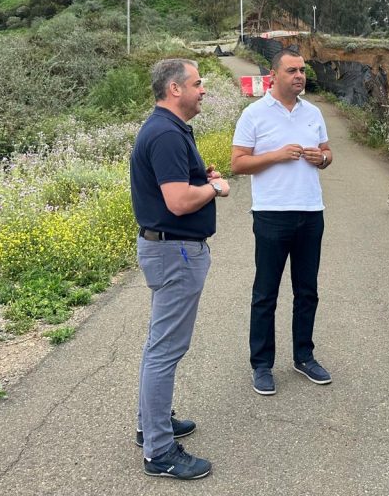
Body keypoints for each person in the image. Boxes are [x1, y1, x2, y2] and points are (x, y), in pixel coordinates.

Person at [131, 58, 230, 480]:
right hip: (176, 253)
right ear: (175, 89)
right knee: (166, 349)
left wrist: (199, 177)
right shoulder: (166, 134)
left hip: (170, 250)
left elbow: (174, 185)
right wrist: (214, 187)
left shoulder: (166, 129)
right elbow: (177, 202)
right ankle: (159, 452)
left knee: (160, 344)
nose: (203, 89)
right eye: (197, 83)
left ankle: (150, 424)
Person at [231, 47, 333, 396]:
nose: (300, 75)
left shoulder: (314, 112)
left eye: (302, 70)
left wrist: (322, 158)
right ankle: (261, 365)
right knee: (265, 293)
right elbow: (238, 163)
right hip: (272, 214)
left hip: (310, 212)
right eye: (291, 70)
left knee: (307, 291)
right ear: (273, 75)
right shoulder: (254, 114)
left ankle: (304, 356)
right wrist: (276, 154)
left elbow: (328, 152)